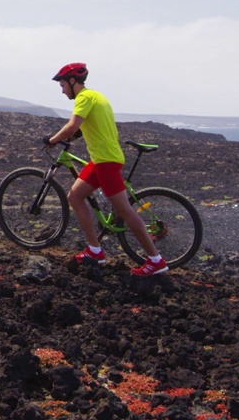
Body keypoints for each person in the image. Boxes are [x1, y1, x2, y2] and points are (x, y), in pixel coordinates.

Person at [43, 63, 167, 276]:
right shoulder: (97, 97)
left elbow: (73, 125)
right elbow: (87, 126)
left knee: (123, 210)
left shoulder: (84, 98)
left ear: (73, 81)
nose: (62, 91)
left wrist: (53, 139)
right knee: (75, 196)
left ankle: (156, 260)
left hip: (106, 161)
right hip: (100, 160)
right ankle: (94, 251)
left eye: (63, 85)